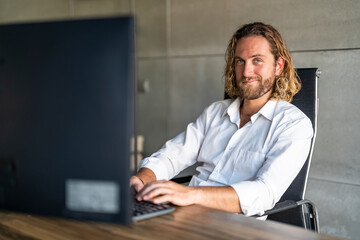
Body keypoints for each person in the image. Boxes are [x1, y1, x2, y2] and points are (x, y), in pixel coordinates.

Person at [130, 22, 313, 217]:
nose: (246, 72)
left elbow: (264, 193)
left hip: (234, 225)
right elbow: (173, 155)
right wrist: (143, 179)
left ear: (278, 66)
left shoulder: (293, 125)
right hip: (183, 213)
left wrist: (191, 194)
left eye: (257, 60)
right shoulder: (215, 112)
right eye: (239, 61)